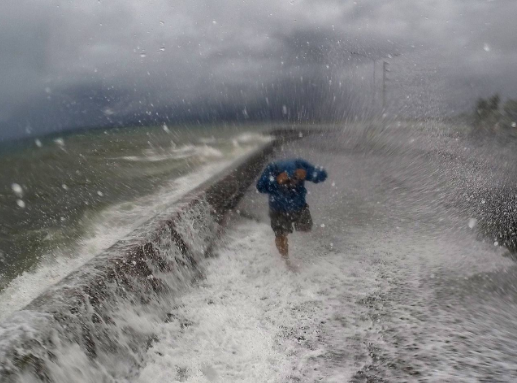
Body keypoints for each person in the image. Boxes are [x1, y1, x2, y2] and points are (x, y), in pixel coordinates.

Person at [256, 158, 327, 259]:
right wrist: (276, 181)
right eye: (287, 180)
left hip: (299, 207)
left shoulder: (300, 165)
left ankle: (306, 251)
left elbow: (322, 175)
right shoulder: (272, 168)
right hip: (278, 210)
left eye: (294, 178)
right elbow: (260, 187)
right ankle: (285, 261)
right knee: (280, 235)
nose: (290, 183)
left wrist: (307, 174)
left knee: (306, 229)